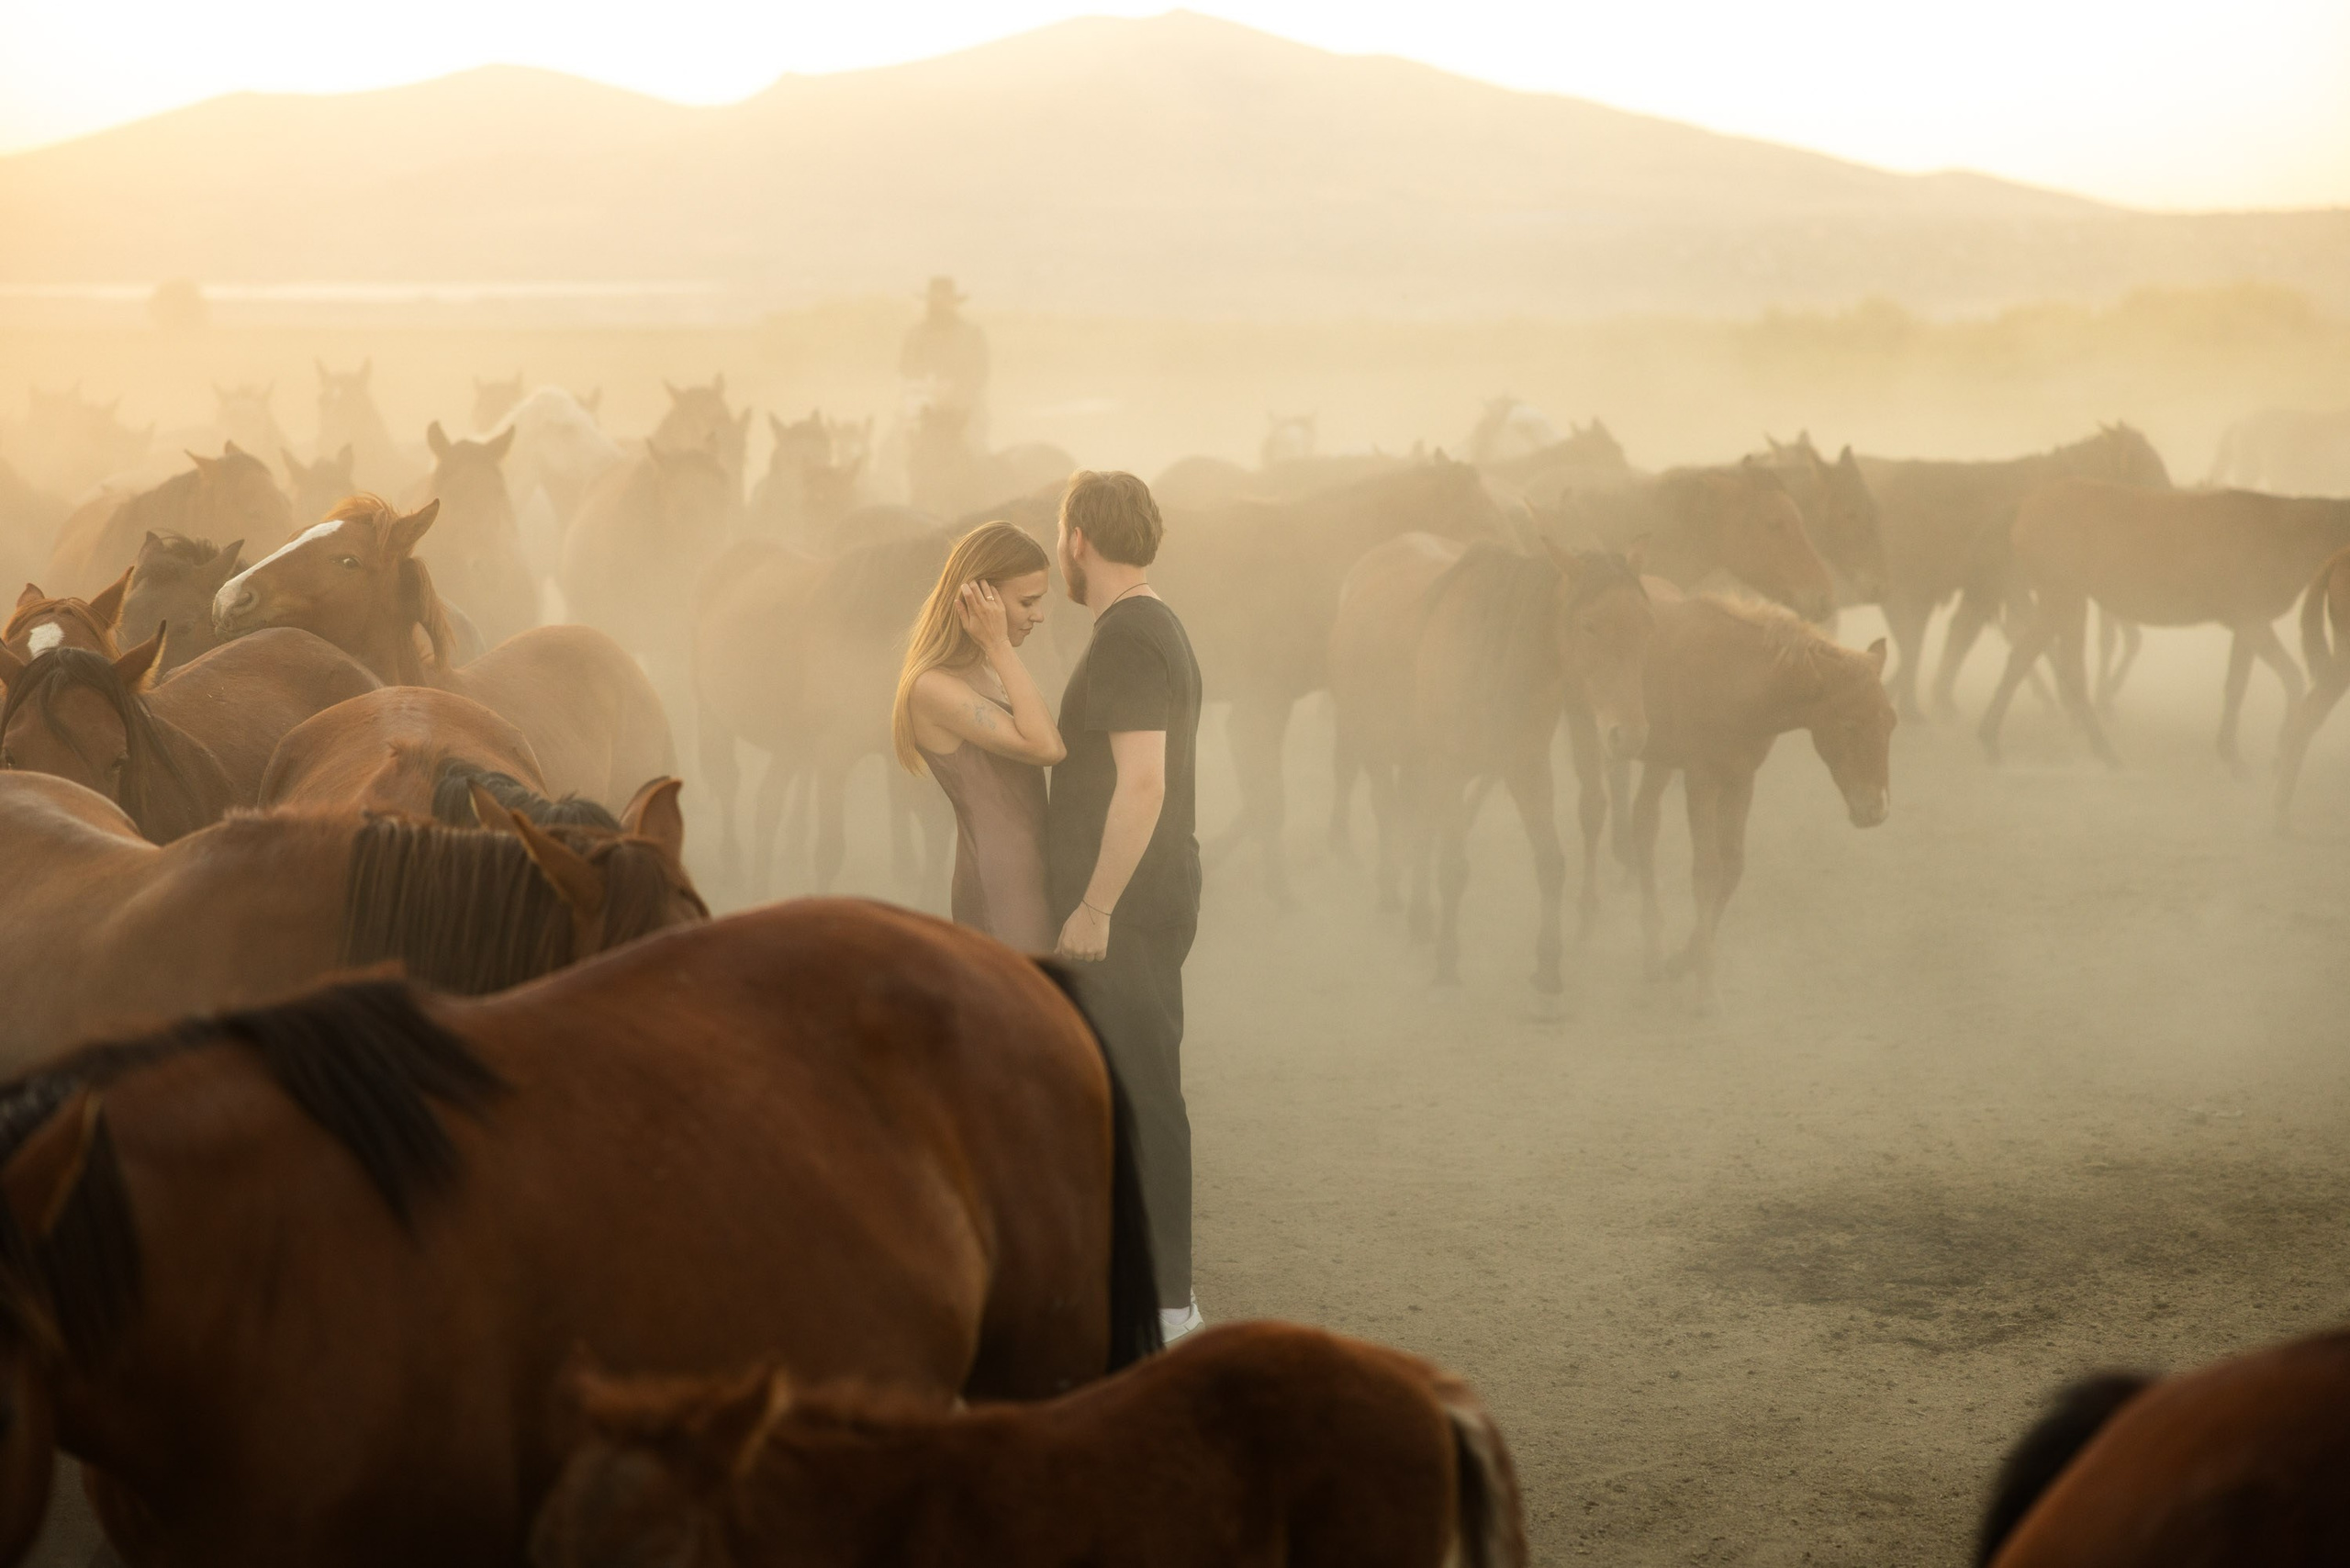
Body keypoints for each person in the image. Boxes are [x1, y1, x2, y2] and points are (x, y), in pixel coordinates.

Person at [1046, 470, 1206, 1342]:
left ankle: (1172, 1307)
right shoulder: (1154, 624)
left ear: (1078, 541)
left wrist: (1095, 907)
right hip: (1149, 899)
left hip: (1128, 913)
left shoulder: (1128, 642)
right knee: (1128, 1093)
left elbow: (1142, 785)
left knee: (1146, 1098)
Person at [892, 522, 1064, 951]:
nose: (1038, 615)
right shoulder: (933, 687)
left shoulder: (986, 669)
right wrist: (1000, 645)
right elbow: (1047, 747)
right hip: (1001, 891)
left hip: (1035, 877)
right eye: (1027, 601)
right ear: (980, 598)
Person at [899, 276, 991, 447]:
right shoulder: (915, 334)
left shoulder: (972, 334)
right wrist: (926, 386)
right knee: (895, 446)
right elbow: (905, 368)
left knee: (973, 448)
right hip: (919, 408)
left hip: (964, 409)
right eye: (934, 302)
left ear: (953, 304)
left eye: (943, 301)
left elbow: (980, 373)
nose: (938, 306)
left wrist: (956, 388)